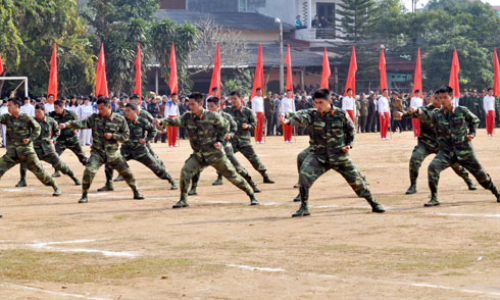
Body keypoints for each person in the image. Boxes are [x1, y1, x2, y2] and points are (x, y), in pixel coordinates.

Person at [279, 89, 385, 217]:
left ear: (329, 101)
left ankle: (373, 203)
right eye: (315, 102)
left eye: (321, 102)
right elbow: (299, 117)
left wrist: (349, 145)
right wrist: (286, 120)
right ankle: (304, 207)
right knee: (304, 177)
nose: (318, 105)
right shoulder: (312, 114)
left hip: (339, 154)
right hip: (319, 155)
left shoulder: (341, 114)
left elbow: (351, 130)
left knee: (357, 182)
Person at [154, 92, 259, 208]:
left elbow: (225, 126)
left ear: (200, 104)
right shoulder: (188, 117)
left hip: (215, 154)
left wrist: (219, 140)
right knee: (185, 171)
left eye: (193, 104)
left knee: (233, 176)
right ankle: (183, 199)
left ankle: (251, 194)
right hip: (199, 155)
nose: (190, 107)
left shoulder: (212, 116)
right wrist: (161, 122)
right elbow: (175, 121)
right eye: (189, 104)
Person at [417, 86, 500, 206]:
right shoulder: (437, 114)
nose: (443, 100)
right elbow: (423, 114)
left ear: (452, 97)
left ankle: (496, 192)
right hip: (447, 152)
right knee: (433, 167)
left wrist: (472, 133)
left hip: (464, 150)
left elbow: (474, 120)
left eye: (445, 97)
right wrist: (408, 113)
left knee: (482, 176)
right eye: (440, 98)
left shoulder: (462, 110)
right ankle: (434, 198)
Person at [59, 97, 144, 203]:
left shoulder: (119, 119)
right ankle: (84, 195)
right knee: (89, 171)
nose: (100, 111)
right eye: (98, 109)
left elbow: (126, 136)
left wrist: (113, 136)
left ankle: (136, 192)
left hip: (113, 153)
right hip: (97, 152)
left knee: (127, 172)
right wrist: (66, 124)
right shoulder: (94, 118)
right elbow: (81, 123)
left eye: (102, 108)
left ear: (109, 107)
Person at [398, 93, 476, 195]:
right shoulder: (426, 108)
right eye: (435, 98)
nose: (436, 100)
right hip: (425, 143)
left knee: (455, 164)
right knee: (414, 159)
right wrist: (402, 114)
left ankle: (468, 180)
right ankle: (413, 185)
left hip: (443, 144)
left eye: (439, 99)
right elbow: (416, 112)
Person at [188, 97, 260, 195]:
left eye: (212, 106)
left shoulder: (226, 116)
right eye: (208, 106)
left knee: (238, 168)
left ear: (218, 106)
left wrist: (230, 134)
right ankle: (193, 188)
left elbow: (234, 127)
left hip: (225, 148)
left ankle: (253, 185)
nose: (209, 108)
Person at [99, 102, 177, 191]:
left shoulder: (142, 121)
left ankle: (172, 181)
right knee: (109, 163)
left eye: (129, 111)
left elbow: (153, 130)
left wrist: (147, 139)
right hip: (125, 150)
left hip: (140, 151)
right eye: (126, 111)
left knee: (156, 167)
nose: (126, 113)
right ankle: (109, 184)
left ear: (135, 111)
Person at [0, 98, 61, 196]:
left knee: (40, 172)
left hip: (26, 152)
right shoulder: (7, 118)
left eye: (10, 105)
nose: (8, 107)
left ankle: (55, 186)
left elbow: (37, 128)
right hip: (12, 153)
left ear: (16, 106)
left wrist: (30, 138)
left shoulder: (26, 118)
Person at [15, 104, 81, 187]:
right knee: (24, 161)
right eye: (36, 112)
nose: (37, 114)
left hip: (48, 149)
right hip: (36, 149)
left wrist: (53, 139)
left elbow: (57, 131)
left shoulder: (51, 121)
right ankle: (22, 180)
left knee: (61, 165)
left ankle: (74, 178)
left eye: (39, 112)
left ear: (44, 111)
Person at [224, 91, 275, 184]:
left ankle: (265, 176)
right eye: (231, 99)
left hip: (244, 141)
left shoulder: (248, 111)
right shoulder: (227, 111)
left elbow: (254, 124)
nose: (233, 101)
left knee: (254, 159)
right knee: (222, 158)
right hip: (231, 141)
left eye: (235, 98)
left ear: (241, 98)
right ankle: (219, 177)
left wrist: (248, 126)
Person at [50, 100, 88, 177]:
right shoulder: (52, 115)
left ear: (62, 107)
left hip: (72, 139)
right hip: (61, 140)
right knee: (54, 156)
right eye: (54, 107)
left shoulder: (71, 114)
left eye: (56, 107)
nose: (55, 109)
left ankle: (90, 169)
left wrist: (76, 130)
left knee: (82, 157)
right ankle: (56, 171)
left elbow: (78, 123)